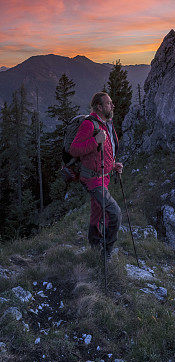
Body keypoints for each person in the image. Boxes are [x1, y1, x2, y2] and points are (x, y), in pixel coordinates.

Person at [69, 92, 123, 260]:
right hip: (92, 178)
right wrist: (95, 141)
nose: (112, 106)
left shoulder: (106, 123)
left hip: (104, 176)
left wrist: (113, 165)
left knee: (97, 211)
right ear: (99, 107)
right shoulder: (89, 125)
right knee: (114, 212)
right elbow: (74, 149)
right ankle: (106, 252)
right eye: (108, 103)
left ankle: (94, 244)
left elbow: (103, 153)